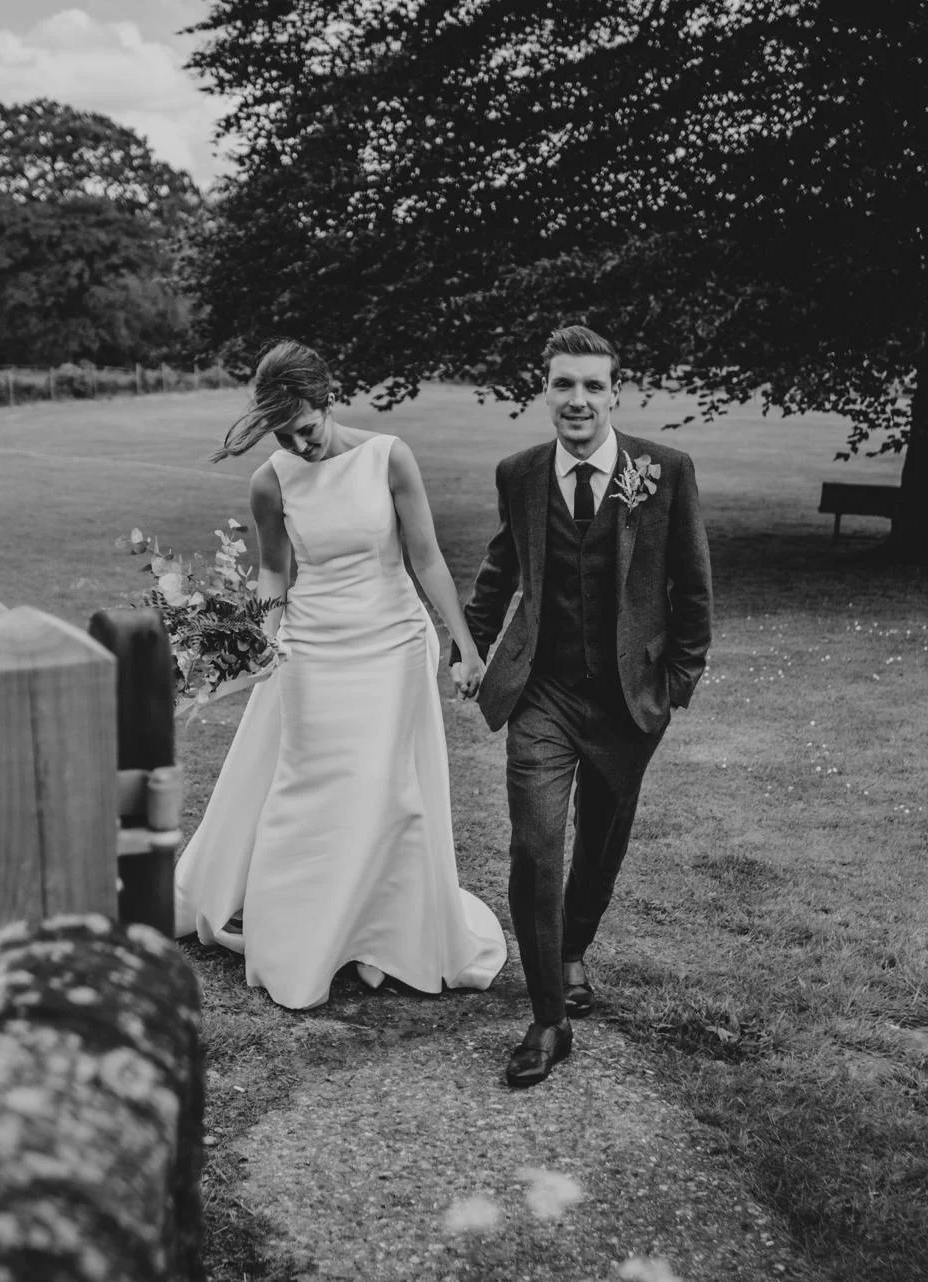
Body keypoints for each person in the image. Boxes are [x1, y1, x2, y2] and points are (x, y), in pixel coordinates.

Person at [171, 340, 507, 1009]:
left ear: (330, 398)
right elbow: (275, 572)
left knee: (387, 790)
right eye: (286, 435)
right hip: (313, 650)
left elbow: (428, 559)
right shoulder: (271, 479)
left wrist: (465, 646)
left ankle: (377, 934)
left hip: (392, 646)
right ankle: (301, 942)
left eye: (308, 429)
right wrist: (260, 642)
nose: (301, 445)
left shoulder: (389, 457)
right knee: (312, 790)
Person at [454, 325, 713, 1087]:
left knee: (601, 844)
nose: (578, 400)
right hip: (544, 693)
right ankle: (547, 1018)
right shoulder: (520, 473)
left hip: (630, 701)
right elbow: (503, 568)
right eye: (563, 384)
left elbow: (692, 590)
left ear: (615, 393)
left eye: (592, 386)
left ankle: (572, 948)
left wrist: (676, 687)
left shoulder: (665, 472)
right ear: (546, 391)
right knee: (536, 847)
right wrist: (471, 647)